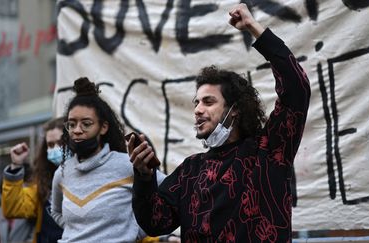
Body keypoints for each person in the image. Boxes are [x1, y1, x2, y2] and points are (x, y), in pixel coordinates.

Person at [129, 3, 311, 242]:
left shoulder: (269, 151)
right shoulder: (190, 171)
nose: (197, 110)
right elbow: (155, 222)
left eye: (208, 101)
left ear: (234, 110)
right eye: (196, 103)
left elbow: (296, 88)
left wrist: (254, 28)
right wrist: (143, 176)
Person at [50, 77, 171, 243]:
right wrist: (77, 231)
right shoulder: (62, 173)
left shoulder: (128, 164)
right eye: (71, 124)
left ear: (103, 127)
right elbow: (55, 211)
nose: (77, 130)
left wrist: (135, 230)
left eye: (86, 123)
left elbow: (170, 190)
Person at [1, 117, 65, 242]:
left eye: (60, 143)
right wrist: (16, 165)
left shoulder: (86, 177)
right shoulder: (43, 183)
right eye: (50, 145)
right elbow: (14, 208)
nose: (55, 149)